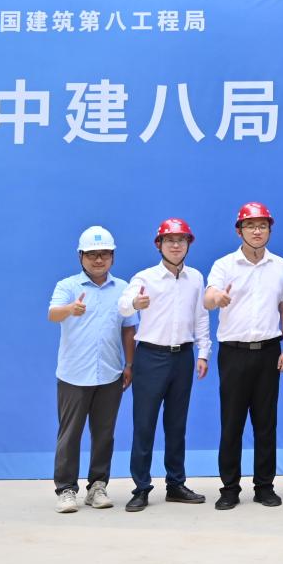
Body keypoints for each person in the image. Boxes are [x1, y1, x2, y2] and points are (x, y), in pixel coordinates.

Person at [205, 201, 283, 510]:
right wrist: (217, 297)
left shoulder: (280, 266)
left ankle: (264, 486)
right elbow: (207, 297)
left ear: (269, 230)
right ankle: (229, 488)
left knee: (266, 423)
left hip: (268, 352)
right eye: (251, 226)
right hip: (234, 354)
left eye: (263, 226)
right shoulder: (225, 265)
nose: (257, 231)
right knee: (232, 423)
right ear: (239, 231)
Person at [120, 218, 210, 512]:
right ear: (159, 245)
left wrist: (203, 352)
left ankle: (175, 484)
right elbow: (123, 304)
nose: (175, 245)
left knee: (176, 424)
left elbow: (200, 316)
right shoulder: (145, 278)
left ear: (188, 245)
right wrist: (135, 304)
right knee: (144, 424)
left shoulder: (195, 278)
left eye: (181, 240)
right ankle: (141, 487)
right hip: (150, 357)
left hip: (182, 356)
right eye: (169, 240)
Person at [45, 225, 136, 513]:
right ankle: (66, 489)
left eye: (105, 254)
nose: (99, 260)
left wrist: (129, 364)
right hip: (74, 375)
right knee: (70, 434)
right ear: (80, 257)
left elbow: (129, 328)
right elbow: (52, 314)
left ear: (113, 257)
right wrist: (70, 309)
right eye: (92, 255)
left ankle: (97, 486)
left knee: (104, 434)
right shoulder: (68, 286)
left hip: (109, 374)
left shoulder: (122, 289)